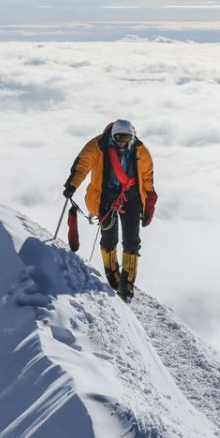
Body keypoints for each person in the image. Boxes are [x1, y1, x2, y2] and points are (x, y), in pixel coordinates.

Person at [63, 119, 156, 302]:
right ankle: (112, 274)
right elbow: (82, 165)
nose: (123, 142)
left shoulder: (139, 150)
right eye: (120, 137)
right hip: (105, 197)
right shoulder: (98, 146)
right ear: (113, 135)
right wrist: (72, 185)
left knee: (132, 242)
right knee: (109, 238)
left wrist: (150, 200)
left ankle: (126, 286)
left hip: (131, 198)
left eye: (127, 138)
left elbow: (147, 177)